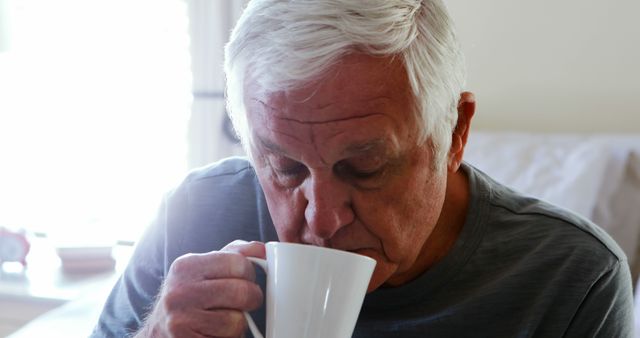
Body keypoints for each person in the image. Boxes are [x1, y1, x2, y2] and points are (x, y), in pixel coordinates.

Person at [91, 0, 634, 337]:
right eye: (284, 167)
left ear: (454, 134)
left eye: (365, 167)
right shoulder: (196, 214)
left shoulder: (571, 278)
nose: (322, 220)